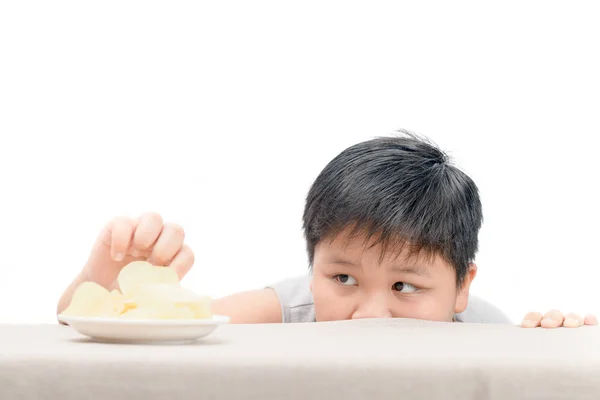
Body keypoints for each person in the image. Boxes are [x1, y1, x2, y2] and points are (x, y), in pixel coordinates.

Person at [57, 131, 597, 328]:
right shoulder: (288, 310)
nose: (369, 314)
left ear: (461, 286)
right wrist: (109, 283)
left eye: (405, 286)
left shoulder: (488, 331)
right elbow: (141, 333)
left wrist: (562, 341)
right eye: (341, 278)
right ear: (312, 266)